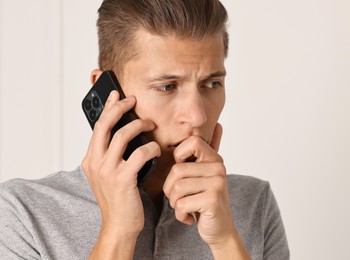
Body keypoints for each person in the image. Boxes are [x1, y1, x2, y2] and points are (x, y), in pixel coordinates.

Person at [0, 0, 289, 259]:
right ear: (108, 93)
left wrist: (225, 241)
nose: (197, 116)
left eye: (212, 84)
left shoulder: (253, 203)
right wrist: (117, 232)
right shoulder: (22, 214)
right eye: (167, 87)